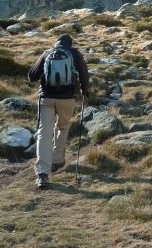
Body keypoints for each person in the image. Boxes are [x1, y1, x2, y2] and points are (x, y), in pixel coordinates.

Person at [28, 33, 90, 189]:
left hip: (46, 98)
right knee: (63, 127)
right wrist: (85, 92)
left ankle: (42, 173)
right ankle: (57, 160)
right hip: (67, 99)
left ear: (56, 43)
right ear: (70, 43)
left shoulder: (47, 53)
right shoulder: (75, 54)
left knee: (44, 132)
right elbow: (84, 74)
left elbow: (32, 76)